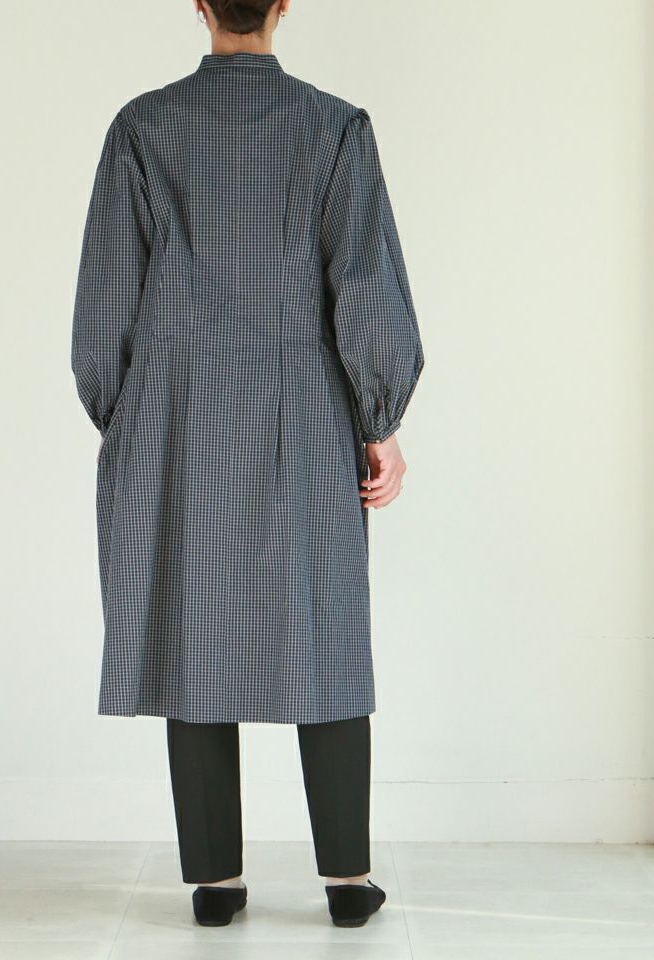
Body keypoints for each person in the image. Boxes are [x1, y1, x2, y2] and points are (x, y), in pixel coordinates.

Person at [70, 0, 424, 929]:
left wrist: (124, 421)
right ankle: (347, 881)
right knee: (325, 630)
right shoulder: (335, 129)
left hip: (178, 414)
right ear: (282, 6)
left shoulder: (142, 128)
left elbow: (104, 301)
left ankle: (215, 883)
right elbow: (365, 287)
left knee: (192, 625)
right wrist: (379, 420)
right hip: (305, 412)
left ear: (199, 6)